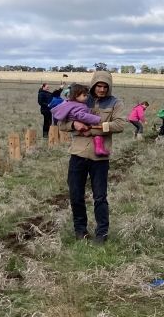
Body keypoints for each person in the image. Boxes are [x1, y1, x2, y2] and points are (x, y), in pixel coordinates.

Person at [58, 72, 125, 243]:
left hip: (100, 157)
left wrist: (93, 128)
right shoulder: (80, 99)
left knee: (100, 197)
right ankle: (80, 231)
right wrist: (74, 124)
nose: (102, 89)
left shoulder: (115, 102)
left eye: (105, 86)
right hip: (78, 154)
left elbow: (119, 125)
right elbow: (61, 124)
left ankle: (102, 233)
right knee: (75, 194)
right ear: (93, 85)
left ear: (109, 87)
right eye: (98, 86)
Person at [52, 85, 110, 156]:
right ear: (76, 95)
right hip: (82, 127)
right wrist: (96, 119)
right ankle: (99, 149)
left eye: (87, 95)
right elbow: (81, 116)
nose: (86, 97)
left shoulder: (70, 104)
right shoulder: (78, 106)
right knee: (98, 135)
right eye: (84, 95)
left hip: (78, 130)